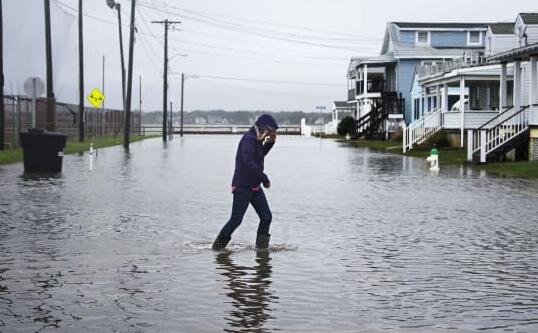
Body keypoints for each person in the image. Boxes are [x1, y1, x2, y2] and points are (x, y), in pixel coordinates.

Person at [212, 114, 278, 251]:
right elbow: (249, 163)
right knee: (236, 219)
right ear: (263, 128)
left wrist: (270, 143)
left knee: (266, 217)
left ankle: (262, 251)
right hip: (242, 186)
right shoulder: (248, 139)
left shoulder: (257, 140)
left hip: (254, 186)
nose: (269, 135)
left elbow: (259, 155)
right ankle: (217, 248)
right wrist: (264, 178)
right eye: (269, 132)